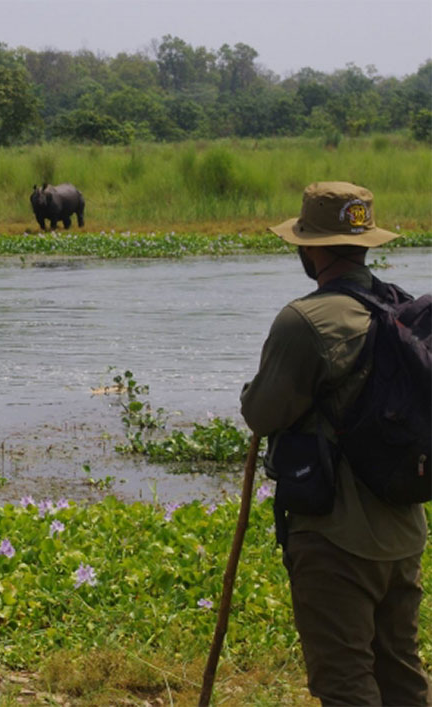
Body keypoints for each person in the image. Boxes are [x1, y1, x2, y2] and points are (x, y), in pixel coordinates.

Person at [240, 181, 429, 704]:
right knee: (402, 675)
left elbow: (262, 413)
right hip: (404, 532)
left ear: (312, 247)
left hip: (336, 536)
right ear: (366, 242)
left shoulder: (306, 320)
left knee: (344, 681)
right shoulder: (403, 309)